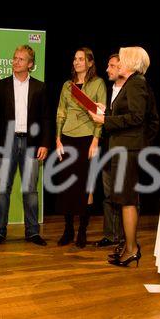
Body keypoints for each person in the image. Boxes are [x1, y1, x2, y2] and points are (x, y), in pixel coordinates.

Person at [88, 46, 159, 267]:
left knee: (127, 202)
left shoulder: (137, 83)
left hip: (128, 149)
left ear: (130, 61)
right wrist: (107, 112)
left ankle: (132, 249)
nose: (118, 63)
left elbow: (138, 118)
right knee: (124, 201)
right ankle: (129, 248)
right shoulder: (132, 83)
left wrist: (105, 121)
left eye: (122, 59)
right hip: (123, 148)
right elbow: (130, 116)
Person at [0, 45, 51, 247]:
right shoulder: (1, 85)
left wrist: (45, 143)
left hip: (31, 143)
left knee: (30, 190)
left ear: (30, 64)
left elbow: (46, 118)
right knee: (2, 190)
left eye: (21, 59)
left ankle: (32, 232)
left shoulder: (40, 87)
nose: (16, 62)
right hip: (6, 143)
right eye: (14, 58)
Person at [55, 47, 107, 248]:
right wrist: (58, 138)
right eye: (74, 59)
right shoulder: (67, 86)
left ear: (90, 62)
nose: (76, 62)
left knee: (86, 186)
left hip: (87, 139)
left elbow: (100, 115)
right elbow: (61, 111)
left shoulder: (98, 83)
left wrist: (95, 140)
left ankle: (83, 230)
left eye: (81, 59)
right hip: (67, 138)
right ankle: (68, 230)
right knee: (67, 185)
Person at [94, 54, 126, 248]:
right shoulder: (107, 90)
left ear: (123, 68)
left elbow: (139, 120)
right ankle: (111, 234)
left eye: (112, 65)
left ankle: (126, 237)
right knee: (109, 195)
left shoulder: (132, 90)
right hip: (107, 150)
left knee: (125, 196)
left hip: (124, 150)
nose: (108, 69)